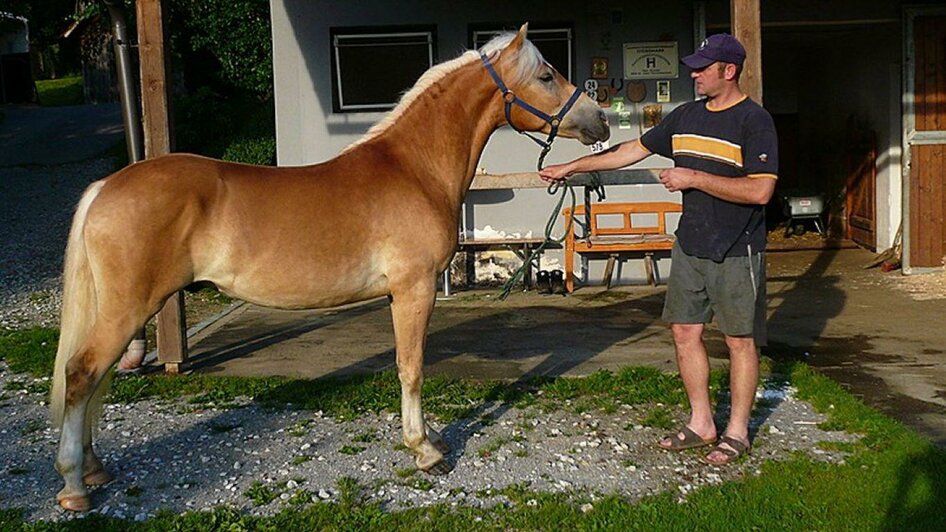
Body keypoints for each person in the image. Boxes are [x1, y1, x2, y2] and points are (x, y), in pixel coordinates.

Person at [539, 33, 778, 465]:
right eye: (694, 66)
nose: (695, 73)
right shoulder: (684, 116)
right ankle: (702, 422)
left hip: (737, 247)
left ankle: (738, 431)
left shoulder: (754, 121)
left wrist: (693, 179)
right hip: (691, 242)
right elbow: (630, 150)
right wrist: (571, 167)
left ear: (730, 71)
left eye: (704, 67)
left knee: (739, 341)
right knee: (684, 332)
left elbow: (761, 191)